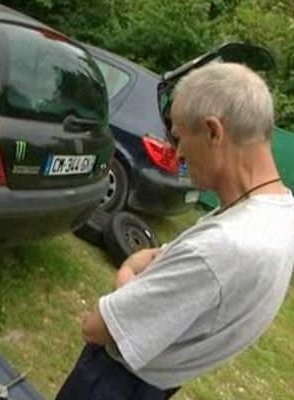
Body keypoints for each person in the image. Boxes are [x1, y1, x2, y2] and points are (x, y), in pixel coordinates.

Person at [56, 62, 294, 400]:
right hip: (156, 384)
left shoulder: (223, 248)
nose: (178, 154)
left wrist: (125, 274)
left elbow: (96, 326)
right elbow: (160, 256)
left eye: (180, 138)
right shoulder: (277, 212)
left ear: (213, 132)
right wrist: (146, 271)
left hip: (115, 384)